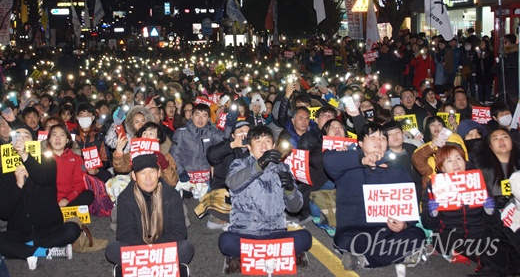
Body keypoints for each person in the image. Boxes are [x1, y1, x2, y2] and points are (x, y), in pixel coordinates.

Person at [324, 123, 426, 270]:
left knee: (417, 233)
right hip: (354, 231)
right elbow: (328, 161)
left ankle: (363, 259)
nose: (378, 141)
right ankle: (398, 254)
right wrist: (362, 159)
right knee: (350, 241)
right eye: (372, 137)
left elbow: (409, 205)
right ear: (360, 143)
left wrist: (405, 223)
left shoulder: (398, 171)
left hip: (387, 230)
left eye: (383, 138)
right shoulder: (347, 166)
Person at [218, 125, 312, 273]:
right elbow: (232, 183)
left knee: (305, 238)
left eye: (267, 141)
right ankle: (280, 254)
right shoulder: (239, 164)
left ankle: (249, 257)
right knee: (226, 241)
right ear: (249, 147)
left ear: (273, 145)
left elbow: (296, 208)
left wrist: (290, 190)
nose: (263, 145)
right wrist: (260, 164)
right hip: (246, 232)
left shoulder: (283, 169)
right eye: (257, 141)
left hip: (276, 231)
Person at [0, 130, 81, 270]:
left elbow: (44, 178)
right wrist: (18, 186)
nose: (21, 140)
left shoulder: (48, 162)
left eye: (26, 137)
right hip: (19, 231)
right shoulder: (3, 173)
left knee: (72, 229)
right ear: (12, 143)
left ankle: (25, 249)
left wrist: (24, 155)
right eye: (18, 137)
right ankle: (43, 251)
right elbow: (3, 213)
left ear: (34, 142)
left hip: (48, 228)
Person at [420, 144, 520, 275]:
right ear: (442, 167)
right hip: (450, 235)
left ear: (465, 162)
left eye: (458, 158)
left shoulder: (477, 181)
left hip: (480, 231)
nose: (455, 163)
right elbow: (428, 224)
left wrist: (489, 210)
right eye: (449, 160)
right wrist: (433, 213)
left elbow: (494, 219)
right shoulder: (434, 186)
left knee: (509, 250)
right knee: (495, 257)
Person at [105, 153, 194, 277]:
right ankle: (164, 267)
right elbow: (125, 233)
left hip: (162, 246)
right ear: (134, 176)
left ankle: (138, 268)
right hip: (139, 248)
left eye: (152, 172)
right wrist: (148, 250)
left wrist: (155, 249)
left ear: (158, 173)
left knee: (186, 248)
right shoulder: (126, 198)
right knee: (113, 249)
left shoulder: (171, 195)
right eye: (142, 173)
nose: (148, 178)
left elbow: (179, 231)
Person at [170, 103, 224, 187]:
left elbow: (225, 143)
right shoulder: (181, 132)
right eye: (197, 115)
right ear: (191, 116)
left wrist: (229, 127)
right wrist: (181, 172)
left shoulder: (212, 132)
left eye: (204, 116)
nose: (200, 119)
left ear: (208, 118)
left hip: (206, 179)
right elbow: (175, 153)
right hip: (186, 179)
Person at [46, 124, 94, 207]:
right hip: (50, 199)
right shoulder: (43, 159)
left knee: (89, 195)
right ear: (49, 139)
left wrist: (67, 199)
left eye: (62, 135)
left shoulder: (76, 159)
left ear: (67, 140)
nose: (58, 138)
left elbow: (80, 182)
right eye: (54, 135)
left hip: (70, 199)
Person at [473, 127, 520, 210]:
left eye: (505, 137)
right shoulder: (484, 171)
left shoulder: (517, 165)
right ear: (490, 146)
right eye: (496, 139)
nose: (501, 141)